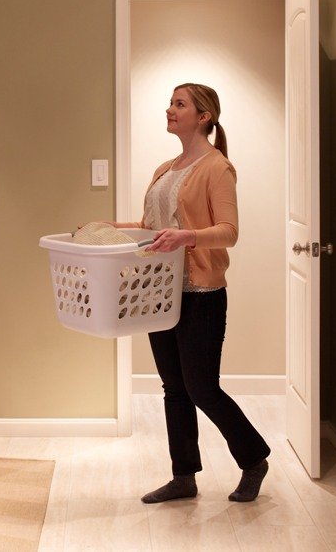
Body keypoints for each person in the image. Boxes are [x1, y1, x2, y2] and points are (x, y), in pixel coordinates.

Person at [116, 82, 270, 504]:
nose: (169, 109)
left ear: (204, 117)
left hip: (201, 294)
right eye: (170, 103)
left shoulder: (218, 167)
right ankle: (183, 477)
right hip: (160, 293)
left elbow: (229, 232)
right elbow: (151, 229)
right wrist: (115, 228)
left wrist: (188, 237)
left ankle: (254, 458)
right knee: (174, 388)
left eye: (179, 104)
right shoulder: (165, 168)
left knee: (202, 388)